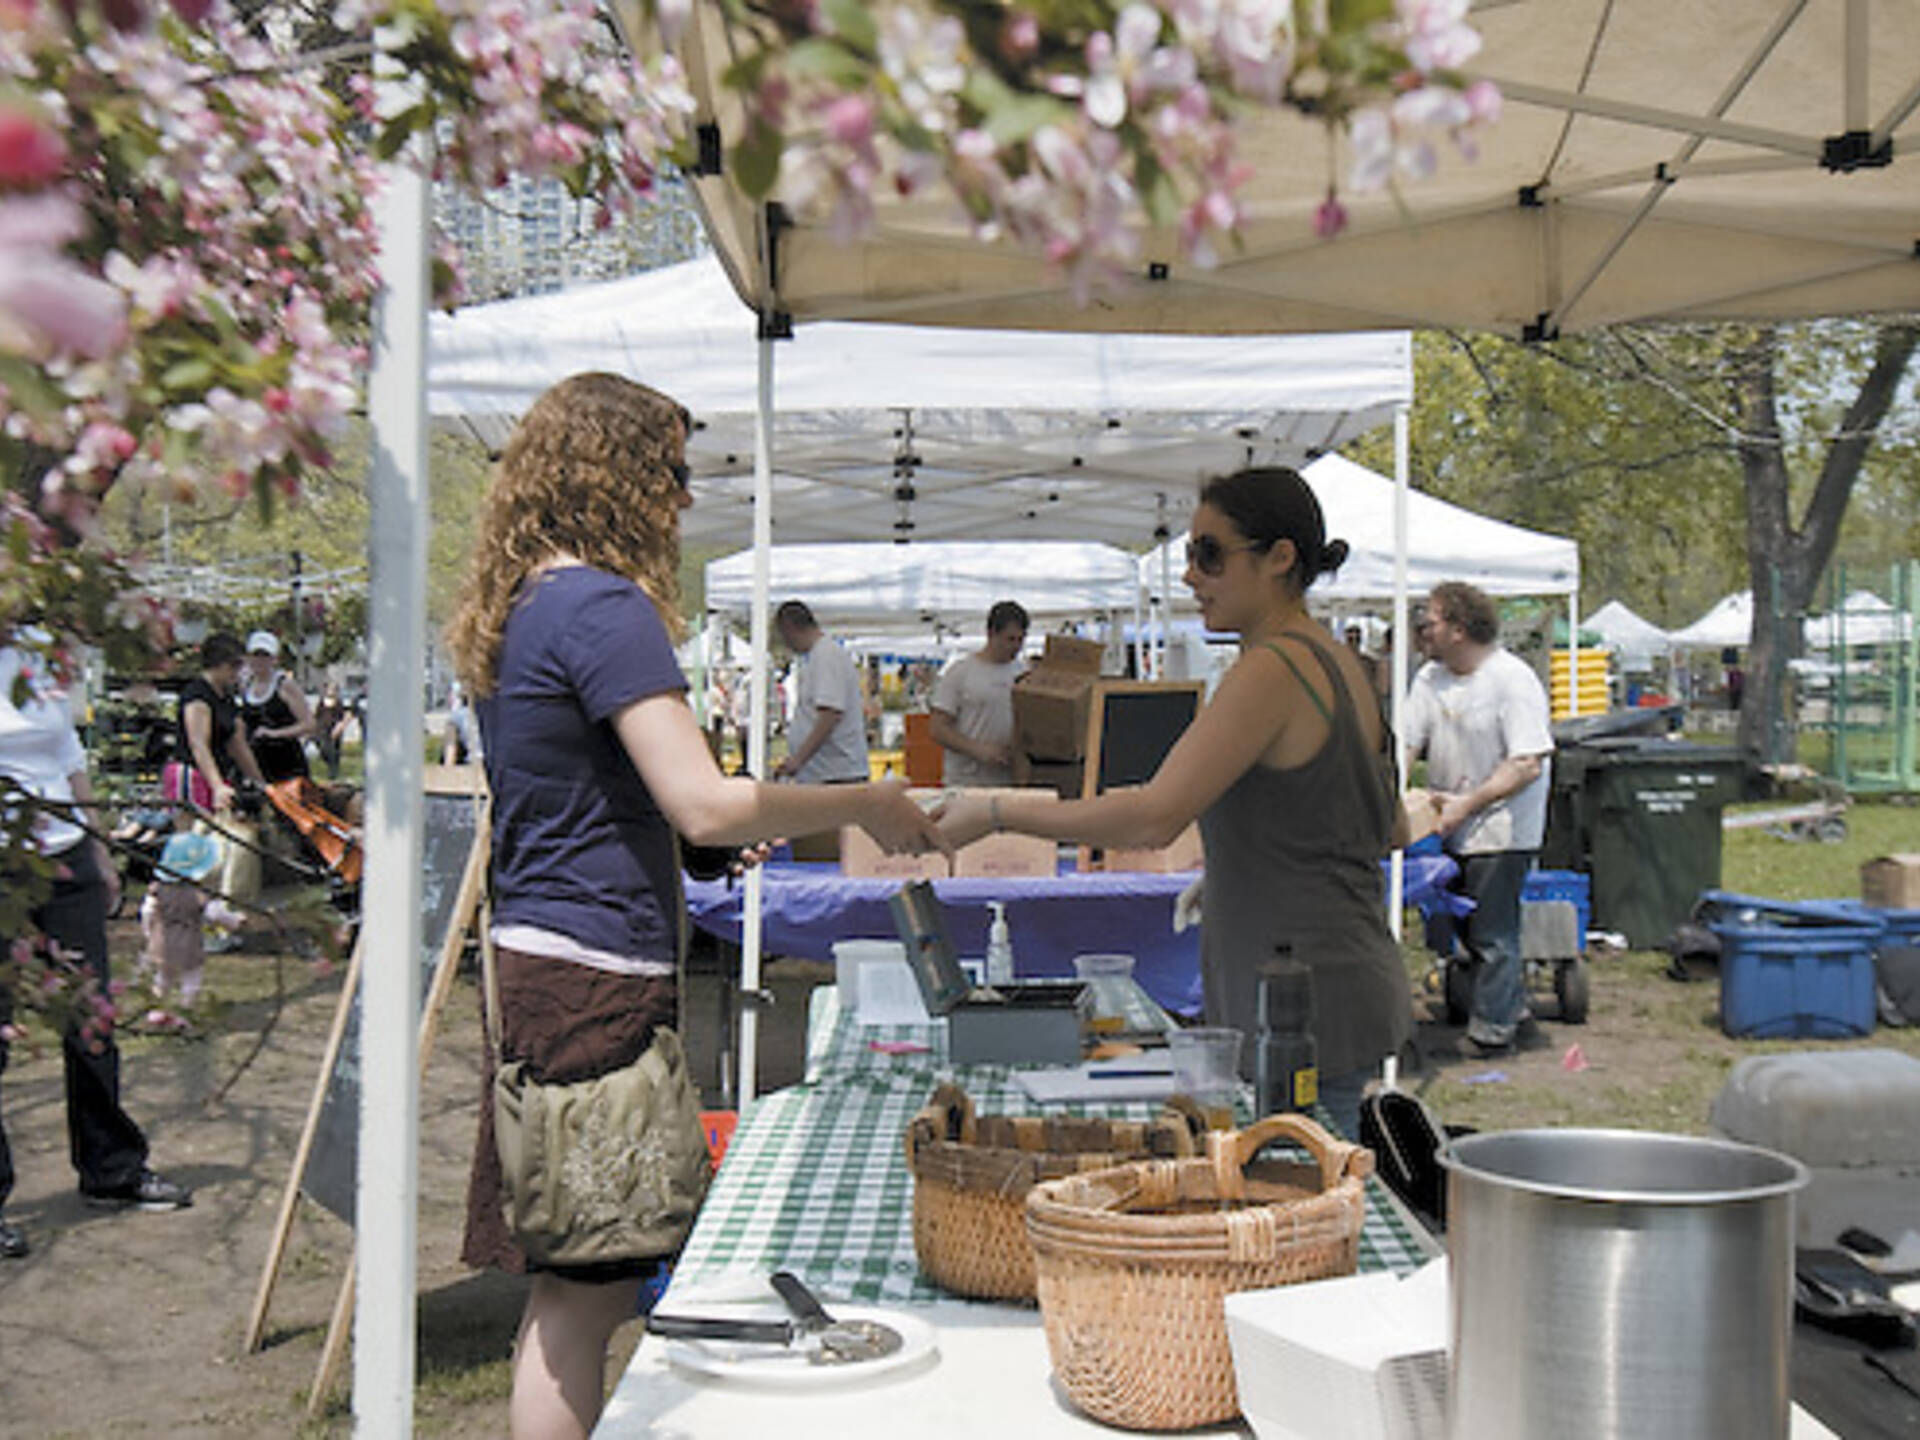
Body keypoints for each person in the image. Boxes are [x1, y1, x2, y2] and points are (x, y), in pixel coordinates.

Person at [444, 371, 943, 1440]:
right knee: (586, 1290)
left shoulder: (530, 601)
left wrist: (689, 844)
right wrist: (870, 800)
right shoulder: (602, 606)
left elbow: (596, 792)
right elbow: (705, 799)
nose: (681, 497)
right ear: (615, 474)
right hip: (591, 979)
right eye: (670, 472)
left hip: (547, 959)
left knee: (574, 1283)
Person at [938, 467, 1412, 1139]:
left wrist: (994, 813)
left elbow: (1154, 815)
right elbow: (1384, 826)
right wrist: (1240, 868)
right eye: (1190, 555)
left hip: (1301, 1002)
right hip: (1338, 983)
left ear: (1279, 558)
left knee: (1303, 1202)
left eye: (1210, 554)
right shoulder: (1341, 666)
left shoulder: (1272, 670)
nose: (1191, 575)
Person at [1, 640, 193, 1261]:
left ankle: (110, 1168)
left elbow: (65, 751)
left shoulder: (38, 650)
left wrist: (98, 847)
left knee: (91, 1024)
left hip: (66, 854)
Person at [1402, 580, 1554, 1055]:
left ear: (1461, 628)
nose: (1424, 629)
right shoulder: (1430, 679)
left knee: (1492, 931)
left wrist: (1469, 804)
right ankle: (1513, 1012)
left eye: (1433, 620)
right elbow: (1407, 743)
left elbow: (1527, 762)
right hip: (1452, 824)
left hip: (1503, 827)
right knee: (1463, 928)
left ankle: (1493, 1033)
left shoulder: (1511, 679)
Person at [928, 600, 1029, 787]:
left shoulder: (1024, 674)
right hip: (965, 782)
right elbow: (937, 728)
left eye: (1020, 640)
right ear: (991, 634)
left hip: (1008, 782)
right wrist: (978, 750)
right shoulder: (960, 672)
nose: (1016, 647)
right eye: (1010, 639)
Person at [167, 632, 267, 813]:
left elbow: (238, 745)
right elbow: (198, 744)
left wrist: (261, 784)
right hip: (193, 774)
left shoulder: (226, 699)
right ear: (217, 664)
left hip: (220, 774)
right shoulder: (197, 695)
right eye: (234, 666)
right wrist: (217, 786)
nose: (237, 673)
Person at [771, 599, 868, 783]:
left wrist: (798, 760)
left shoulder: (826, 656)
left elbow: (829, 714)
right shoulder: (818, 656)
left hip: (836, 775)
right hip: (825, 774)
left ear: (789, 628)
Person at [237, 630, 315, 783]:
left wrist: (275, 733)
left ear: (274, 659)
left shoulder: (284, 685)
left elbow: (309, 724)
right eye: (255, 655)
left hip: (286, 762)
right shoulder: (245, 686)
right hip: (258, 762)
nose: (259, 661)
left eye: (265, 656)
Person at [311, 682, 347, 779]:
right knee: (322, 747)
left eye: (333, 689)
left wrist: (338, 728)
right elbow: (317, 715)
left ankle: (333, 773)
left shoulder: (339, 703)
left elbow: (341, 718)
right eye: (329, 689)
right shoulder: (322, 702)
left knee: (334, 751)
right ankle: (327, 761)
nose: (331, 691)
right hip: (321, 729)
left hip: (334, 729)